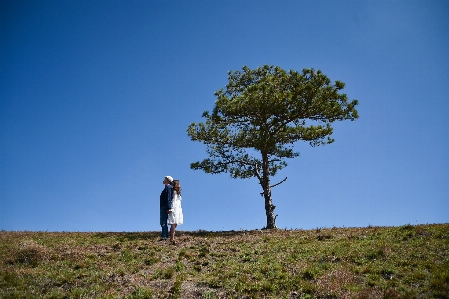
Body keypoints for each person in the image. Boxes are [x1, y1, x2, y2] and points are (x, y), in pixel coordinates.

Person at [167, 179, 183, 244]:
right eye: (178, 183)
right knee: (173, 223)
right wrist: (170, 207)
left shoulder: (178, 192)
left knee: (175, 223)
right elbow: (171, 200)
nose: (179, 185)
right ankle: (172, 238)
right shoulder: (172, 191)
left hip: (178, 208)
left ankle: (172, 237)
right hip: (174, 207)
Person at [159, 175, 173, 240]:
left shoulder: (168, 187)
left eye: (165, 179)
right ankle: (164, 235)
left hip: (164, 206)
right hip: (164, 206)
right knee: (163, 221)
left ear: (168, 180)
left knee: (163, 221)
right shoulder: (167, 187)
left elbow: (169, 197)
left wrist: (168, 207)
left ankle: (164, 236)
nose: (164, 180)